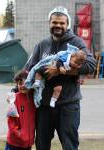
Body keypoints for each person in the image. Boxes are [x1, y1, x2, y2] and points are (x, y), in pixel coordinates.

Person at [24, 6, 96, 150]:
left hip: (68, 105)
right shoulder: (41, 45)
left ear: (67, 24)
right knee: (42, 145)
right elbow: (30, 69)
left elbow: (90, 65)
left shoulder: (76, 43)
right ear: (49, 23)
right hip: (44, 107)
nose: (58, 26)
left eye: (62, 23)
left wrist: (60, 70)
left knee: (70, 146)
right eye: (54, 22)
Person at [25, 43, 86, 108]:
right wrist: (60, 67)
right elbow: (58, 61)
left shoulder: (75, 66)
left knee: (58, 89)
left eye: (79, 64)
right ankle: (37, 82)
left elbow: (76, 75)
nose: (76, 64)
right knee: (39, 71)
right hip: (51, 68)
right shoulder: (66, 57)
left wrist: (77, 79)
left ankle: (53, 100)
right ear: (72, 56)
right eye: (75, 62)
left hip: (58, 78)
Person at [5, 70, 36, 150]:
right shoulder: (14, 99)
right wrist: (18, 133)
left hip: (28, 144)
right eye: (20, 83)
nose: (23, 86)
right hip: (14, 143)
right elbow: (11, 121)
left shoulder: (34, 99)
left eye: (26, 83)